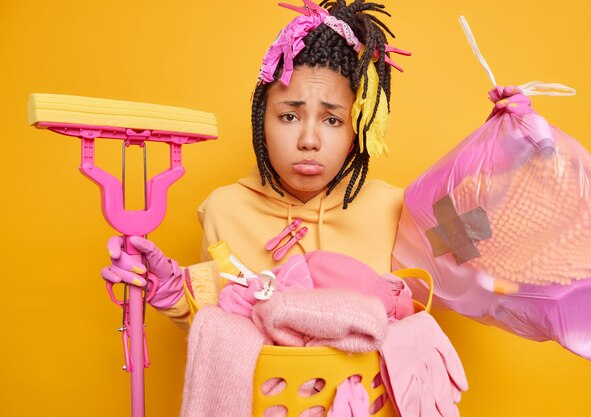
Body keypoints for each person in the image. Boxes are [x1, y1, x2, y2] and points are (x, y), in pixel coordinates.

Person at [101, 0, 410, 327]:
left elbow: (444, 288)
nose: (309, 140)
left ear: (358, 128)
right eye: (289, 116)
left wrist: (468, 215)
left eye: (332, 120)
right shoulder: (223, 209)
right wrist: (168, 290)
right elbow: (216, 323)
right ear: (262, 122)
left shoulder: (395, 209)